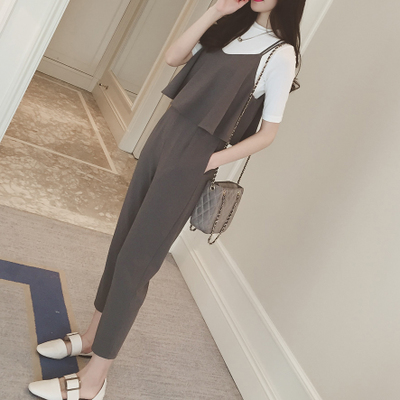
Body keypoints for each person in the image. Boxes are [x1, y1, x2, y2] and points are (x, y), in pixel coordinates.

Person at [28, 0, 306, 399]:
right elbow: (174, 57)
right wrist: (215, 12)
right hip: (164, 135)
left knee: (136, 263)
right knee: (122, 242)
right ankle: (90, 337)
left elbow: (268, 134)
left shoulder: (280, 54)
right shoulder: (229, 27)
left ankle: (94, 380)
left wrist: (207, 161)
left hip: (195, 156)